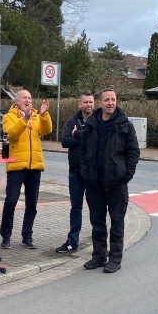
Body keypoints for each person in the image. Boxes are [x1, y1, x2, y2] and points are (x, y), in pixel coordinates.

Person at [76, 88, 140, 273]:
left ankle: (115, 259)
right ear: (100, 103)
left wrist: (126, 175)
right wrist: (86, 172)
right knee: (97, 221)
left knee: (117, 222)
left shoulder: (125, 125)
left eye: (113, 99)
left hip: (116, 183)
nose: (110, 103)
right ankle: (99, 256)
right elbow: (83, 150)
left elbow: (133, 152)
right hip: (94, 182)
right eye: (107, 100)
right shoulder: (91, 124)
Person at [0, 90, 52, 249]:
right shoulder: (9, 116)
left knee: (32, 204)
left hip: (34, 165)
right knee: (11, 201)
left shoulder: (36, 115)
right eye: (24, 97)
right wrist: (24, 119)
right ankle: (6, 236)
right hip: (16, 165)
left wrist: (44, 115)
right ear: (16, 101)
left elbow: (46, 130)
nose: (28, 100)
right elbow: (11, 134)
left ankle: (27, 236)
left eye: (29, 97)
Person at [56, 92, 94, 253]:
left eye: (91, 102)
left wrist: (77, 135)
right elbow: (65, 141)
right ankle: (73, 241)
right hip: (75, 172)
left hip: (92, 173)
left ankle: (99, 244)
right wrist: (84, 138)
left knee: (96, 209)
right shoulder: (72, 121)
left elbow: (96, 140)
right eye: (86, 102)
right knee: (76, 208)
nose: (88, 105)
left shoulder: (97, 120)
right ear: (80, 104)